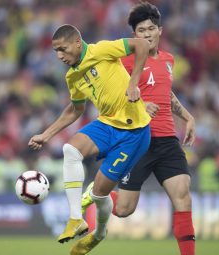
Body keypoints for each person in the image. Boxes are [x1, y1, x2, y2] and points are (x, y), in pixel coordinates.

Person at [82, 2, 196, 255]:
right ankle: (99, 192)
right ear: (134, 35)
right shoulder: (122, 61)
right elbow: (110, 96)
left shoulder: (168, 60)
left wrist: (187, 116)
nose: (147, 34)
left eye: (151, 29)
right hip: (137, 139)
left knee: (183, 196)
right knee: (124, 210)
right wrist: (141, 106)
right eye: (141, 30)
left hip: (167, 140)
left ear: (160, 31)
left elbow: (166, 93)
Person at [28, 24, 151, 255]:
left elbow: (142, 45)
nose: (59, 56)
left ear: (77, 42)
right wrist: (46, 134)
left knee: (98, 193)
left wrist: (133, 82)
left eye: (62, 49)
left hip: (134, 131)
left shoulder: (102, 50)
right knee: (70, 150)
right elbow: (75, 110)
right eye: (55, 51)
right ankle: (76, 218)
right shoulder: (72, 75)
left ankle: (100, 233)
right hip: (106, 124)